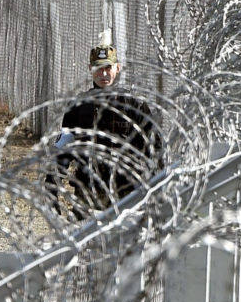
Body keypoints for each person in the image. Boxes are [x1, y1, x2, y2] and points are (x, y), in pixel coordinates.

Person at [45, 43, 162, 217]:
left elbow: (155, 149)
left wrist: (158, 189)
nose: (104, 74)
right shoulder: (79, 107)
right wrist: (52, 189)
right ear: (90, 69)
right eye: (98, 68)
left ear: (117, 68)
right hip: (89, 193)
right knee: (87, 242)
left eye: (108, 68)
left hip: (126, 193)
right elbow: (64, 148)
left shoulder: (133, 105)